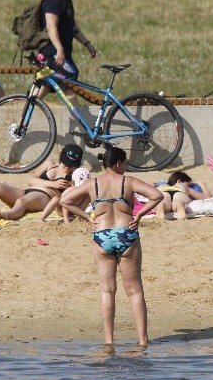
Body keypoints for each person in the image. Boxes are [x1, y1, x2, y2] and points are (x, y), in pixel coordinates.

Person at [61, 148, 163, 346]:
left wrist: (87, 217)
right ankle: (143, 340)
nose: (125, 167)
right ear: (118, 164)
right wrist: (140, 215)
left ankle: (109, 341)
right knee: (134, 290)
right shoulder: (129, 181)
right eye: (124, 163)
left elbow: (66, 201)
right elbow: (157, 196)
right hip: (126, 234)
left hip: (101, 235)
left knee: (107, 291)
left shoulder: (93, 183)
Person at [0, 144, 87, 221]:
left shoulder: (75, 175)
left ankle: (6, 215)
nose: (68, 167)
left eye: (71, 165)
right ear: (61, 157)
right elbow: (30, 180)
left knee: (21, 202)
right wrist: (53, 184)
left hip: (46, 198)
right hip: (29, 190)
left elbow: (78, 192)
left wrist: (70, 187)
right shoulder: (49, 164)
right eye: (66, 163)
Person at [39, 0, 97, 82]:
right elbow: (50, 25)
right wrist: (59, 49)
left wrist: (87, 44)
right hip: (52, 53)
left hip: (62, 52)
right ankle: (30, 100)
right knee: (70, 79)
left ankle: (30, 101)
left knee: (45, 84)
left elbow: (72, 27)